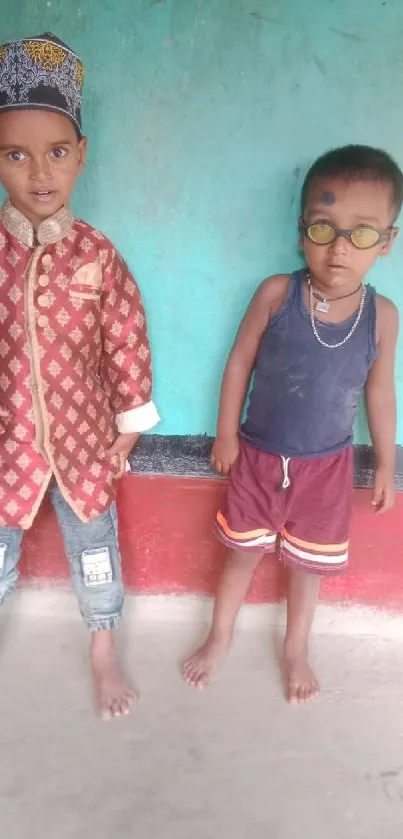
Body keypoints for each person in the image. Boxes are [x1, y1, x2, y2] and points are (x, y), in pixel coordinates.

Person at [183, 144, 401, 703]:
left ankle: (296, 649)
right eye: (325, 229)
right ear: (302, 229)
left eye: (363, 233)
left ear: (388, 241)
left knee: (308, 569)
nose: (340, 249)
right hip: (257, 457)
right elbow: (239, 361)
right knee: (242, 555)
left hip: (327, 467)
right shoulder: (277, 293)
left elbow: (379, 391)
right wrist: (227, 432)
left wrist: (384, 461)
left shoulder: (381, 316)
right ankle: (219, 636)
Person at [0, 33, 159, 719]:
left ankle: (101, 645)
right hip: (7, 440)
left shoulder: (98, 255)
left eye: (56, 152)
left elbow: (126, 338)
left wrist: (128, 425)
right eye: (16, 154)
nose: (40, 172)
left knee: (94, 547)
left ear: (81, 155)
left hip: (85, 438)